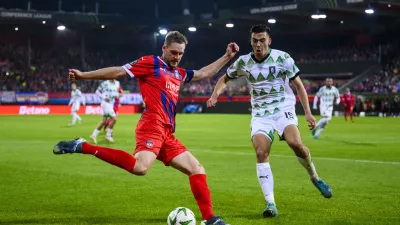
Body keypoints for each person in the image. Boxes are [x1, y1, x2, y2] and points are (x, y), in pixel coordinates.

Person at [53, 31, 238, 225]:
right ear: (164, 48)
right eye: (173, 52)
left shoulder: (178, 73)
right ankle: (84, 146)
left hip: (167, 132)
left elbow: (203, 73)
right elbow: (118, 71)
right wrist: (83, 76)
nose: (176, 57)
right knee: (140, 167)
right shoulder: (150, 63)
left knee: (197, 169)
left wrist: (227, 56)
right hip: (151, 124)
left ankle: (210, 219)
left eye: (180, 54)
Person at [206, 24, 332, 218]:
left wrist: (308, 112)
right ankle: (270, 203)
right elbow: (224, 78)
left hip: (283, 109)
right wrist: (215, 95)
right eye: (255, 41)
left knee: (296, 144)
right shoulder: (243, 62)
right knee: (261, 151)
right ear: (251, 42)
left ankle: (314, 177)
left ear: (269, 41)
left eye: (262, 40)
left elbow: (298, 86)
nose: (258, 44)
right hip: (260, 114)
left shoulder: (282, 58)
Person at [89, 79, 121, 143]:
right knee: (114, 118)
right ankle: (108, 135)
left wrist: (118, 95)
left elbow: (116, 92)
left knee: (104, 121)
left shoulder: (117, 83)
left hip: (111, 103)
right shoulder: (105, 83)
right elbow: (97, 91)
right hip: (105, 103)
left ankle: (93, 135)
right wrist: (104, 98)